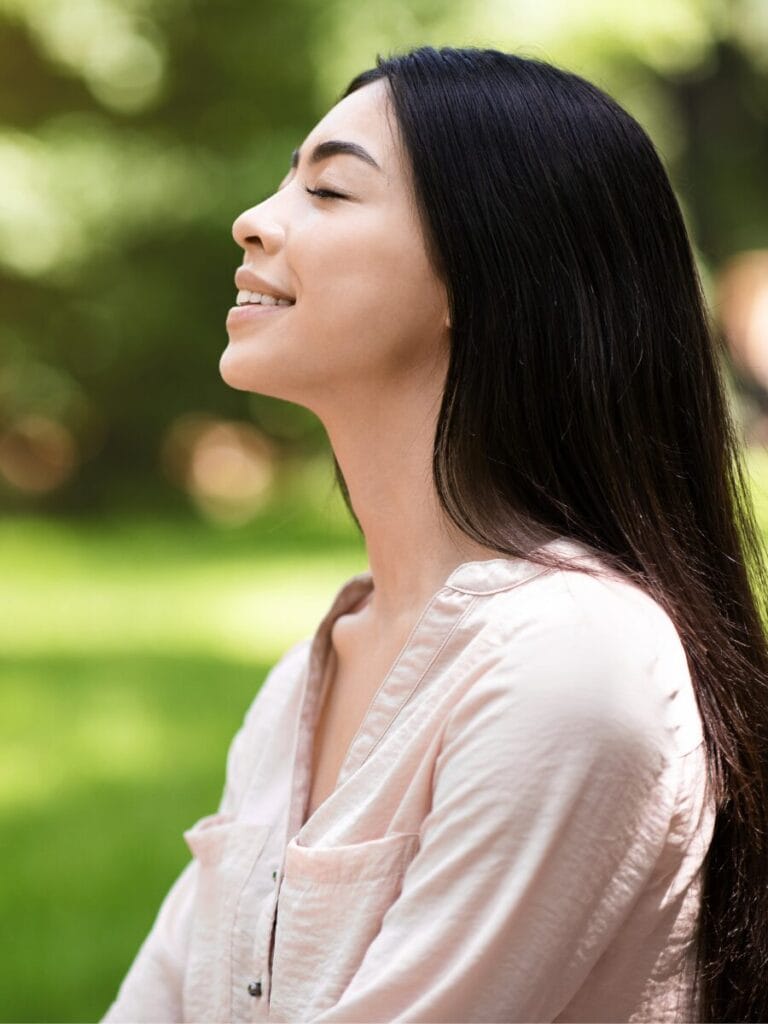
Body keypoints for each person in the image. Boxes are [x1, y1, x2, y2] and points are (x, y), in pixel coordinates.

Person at [101, 45, 768, 1023]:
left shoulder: (578, 668)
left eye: (328, 190)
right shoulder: (309, 677)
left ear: (483, 270)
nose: (254, 217)